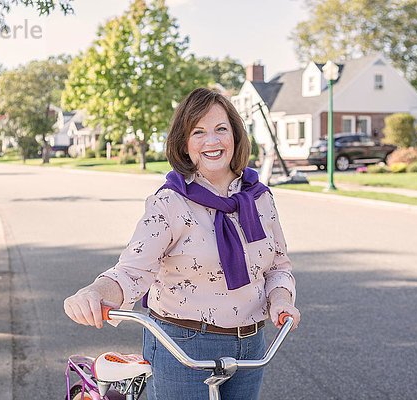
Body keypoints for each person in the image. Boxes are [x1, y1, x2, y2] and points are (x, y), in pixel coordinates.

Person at [64, 87, 300, 400]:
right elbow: (130, 273)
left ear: (235, 136)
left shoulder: (260, 199)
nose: (212, 141)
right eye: (198, 132)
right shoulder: (169, 204)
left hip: (252, 346)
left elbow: (278, 267)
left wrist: (281, 300)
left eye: (221, 129)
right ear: (184, 144)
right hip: (183, 345)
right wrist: (92, 293)